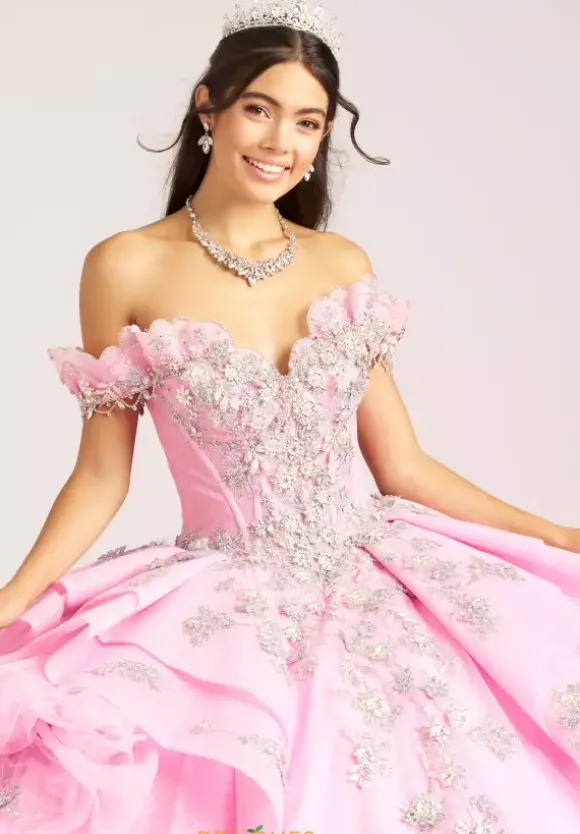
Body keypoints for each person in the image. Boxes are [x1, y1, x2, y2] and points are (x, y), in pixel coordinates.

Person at [1, 1, 580, 831]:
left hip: (378, 590)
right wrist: (12, 599)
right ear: (209, 106)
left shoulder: (340, 264)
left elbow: (404, 467)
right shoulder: (125, 265)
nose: (281, 142)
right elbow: (101, 476)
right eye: (259, 109)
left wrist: (553, 535)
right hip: (227, 610)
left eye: (308, 122)